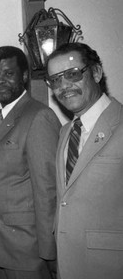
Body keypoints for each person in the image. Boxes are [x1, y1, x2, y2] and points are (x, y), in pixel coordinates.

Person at [0, 46, 60, 279]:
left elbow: (48, 191)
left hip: (26, 249)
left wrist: (51, 253)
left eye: (8, 73)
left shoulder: (39, 116)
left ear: (23, 77)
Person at [46, 42, 123, 279]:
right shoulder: (66, 131)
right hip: (68, 265)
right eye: (55, 80)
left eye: (72, 74)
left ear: (97, 73)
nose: (64, 86)